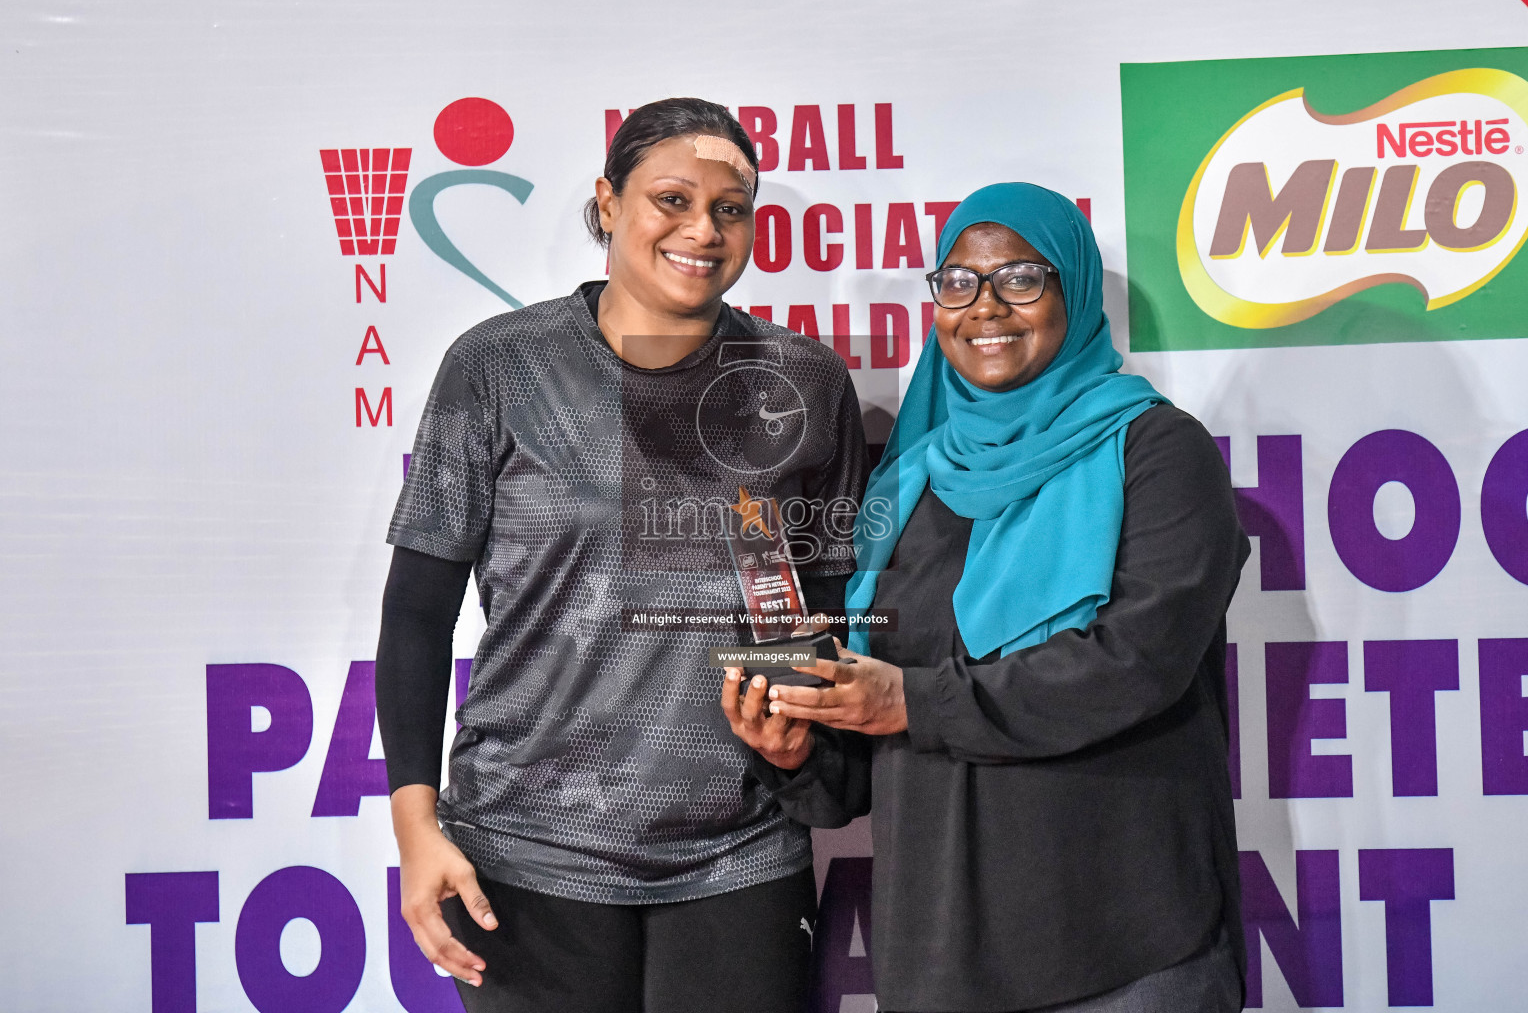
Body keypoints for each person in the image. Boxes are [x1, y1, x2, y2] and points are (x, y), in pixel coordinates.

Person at [376, 96, 867, 1013]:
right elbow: (415, 612)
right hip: (527, 849)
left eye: (730, 208)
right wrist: (416, 827)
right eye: (670, 199)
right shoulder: (499, 367)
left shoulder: (804, 381)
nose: (702, 230)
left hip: (741, 850)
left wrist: (802, 738)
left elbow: (825, 605)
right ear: (608, 203)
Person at [724, 183, 1250, 1012]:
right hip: (940, 959)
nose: (985, 307)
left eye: (1021, 279)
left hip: (1123, 949)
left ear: (1072, 292)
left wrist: (912, 701)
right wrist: (800, 751)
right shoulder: (905, 479)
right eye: (959, 282)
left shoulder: (1155, 451)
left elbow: (1134, 664)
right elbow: (875, 747)